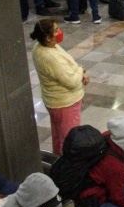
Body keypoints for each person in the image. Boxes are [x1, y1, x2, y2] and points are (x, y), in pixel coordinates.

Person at [30, 17, 87, 155]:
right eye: (56, 30)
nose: (60, 32)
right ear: (48, 37)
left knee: (58, 136)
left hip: (55, 102)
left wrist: (78, 71)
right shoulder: (49, 56)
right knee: (70, 141)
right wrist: (81, 71)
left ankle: (57, 162)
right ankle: (67, 171)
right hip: (65, 103)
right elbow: (71, 81)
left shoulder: (41, 46)